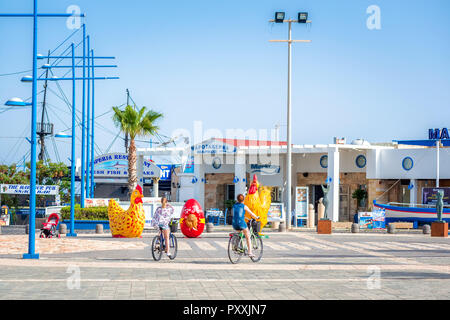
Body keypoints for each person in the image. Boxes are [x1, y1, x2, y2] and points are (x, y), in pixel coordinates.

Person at [232, 194, 259, 258]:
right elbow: (251, 214)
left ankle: (236, 247)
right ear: (243, 200)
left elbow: (236, 214)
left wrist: (243, 216)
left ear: (237, 199)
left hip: (234, 223)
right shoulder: (244, 206)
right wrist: (256, 217)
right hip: (241, 223)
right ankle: (250, 252)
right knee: (248, 236)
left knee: (239, 233)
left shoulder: (234, 206)